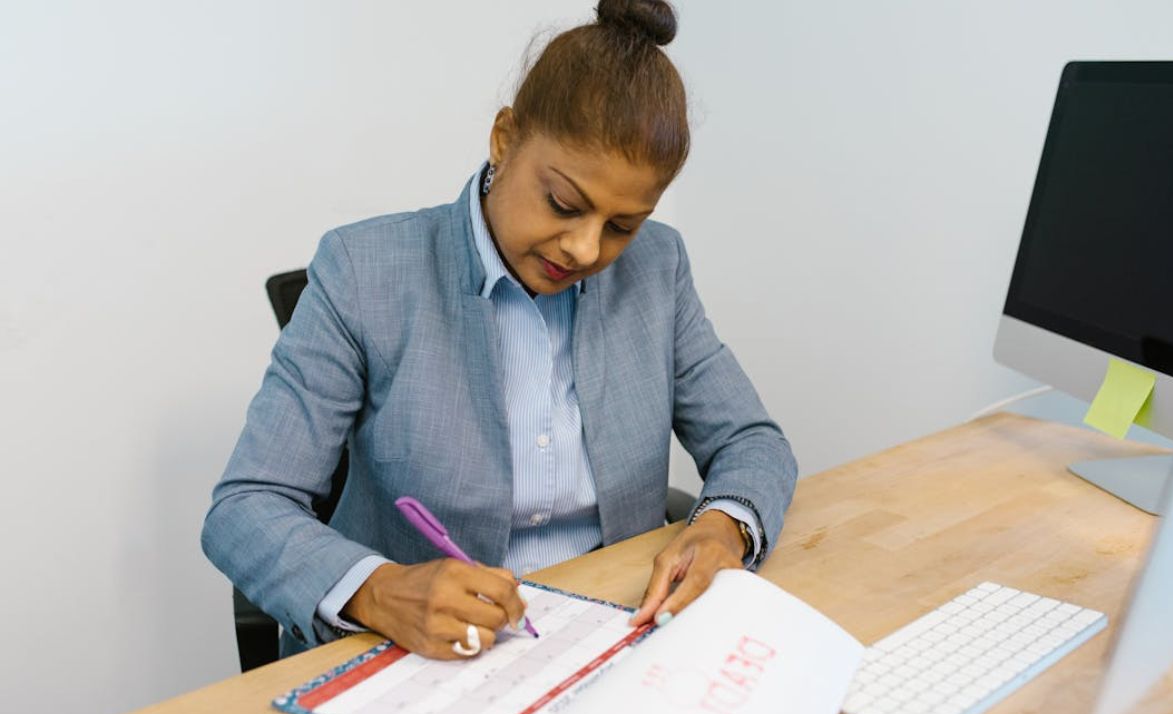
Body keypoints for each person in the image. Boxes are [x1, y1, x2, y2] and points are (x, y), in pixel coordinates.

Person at [201, 0, 796, 662]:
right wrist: (377, 589)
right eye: (563, 204)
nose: (583, 248)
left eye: (621, 225)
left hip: (611, 640)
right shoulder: (363, 272)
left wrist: (721, 527)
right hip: (418, 658)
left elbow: (751, 441)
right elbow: (246, 507)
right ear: (505, 138)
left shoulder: (657, 267)